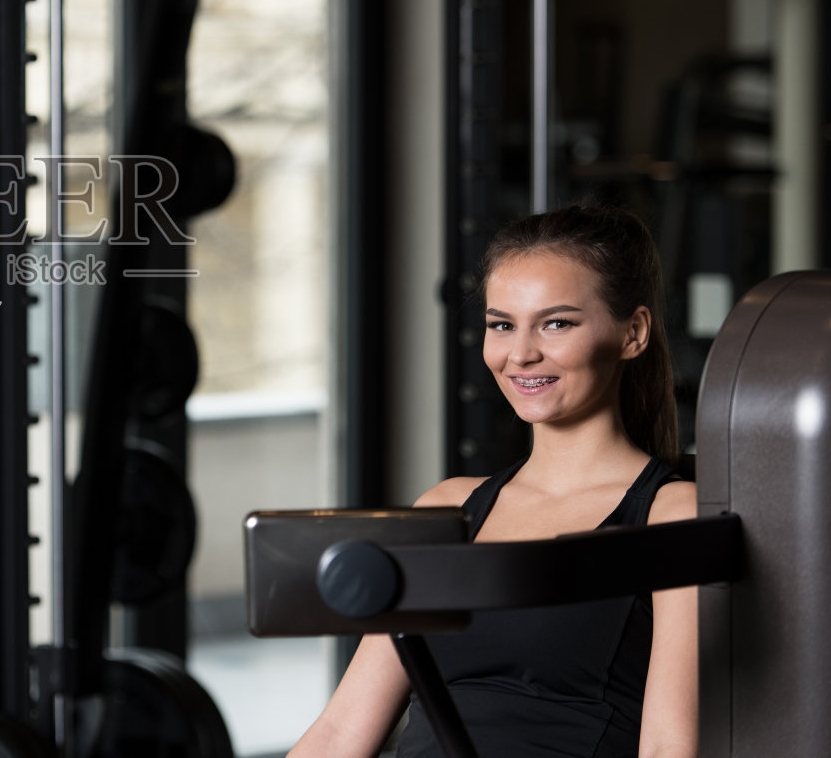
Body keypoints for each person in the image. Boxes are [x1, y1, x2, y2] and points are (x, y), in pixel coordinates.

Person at [289, 204, 698, 758]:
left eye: (557, 323)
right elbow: (341, 732)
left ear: (633, 333)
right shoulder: (448, 508)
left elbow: (669, 750)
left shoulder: (674, 517)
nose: (521, 353)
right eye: (502, 324)